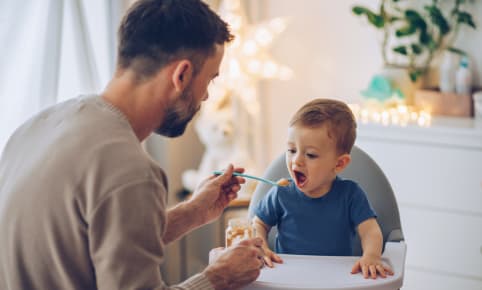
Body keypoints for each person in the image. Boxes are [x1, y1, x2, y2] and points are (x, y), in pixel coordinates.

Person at [0, 0, 265, 289]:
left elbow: (93, 240)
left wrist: (192, 213)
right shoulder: (131, 172)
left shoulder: (37, 127)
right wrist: (218, 277)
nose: (205, 97)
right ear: (182, 75)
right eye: (210, 80)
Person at [252, 99, 394, 279]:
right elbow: (258, 223)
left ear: (339, 163)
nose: (296, 161)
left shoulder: (350, 195)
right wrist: (262, 247)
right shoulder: (281, 193)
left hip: (336, 279)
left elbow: (370, 231)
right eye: (291, 150)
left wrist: (371, 256)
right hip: (288, 279)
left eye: (310, 154)